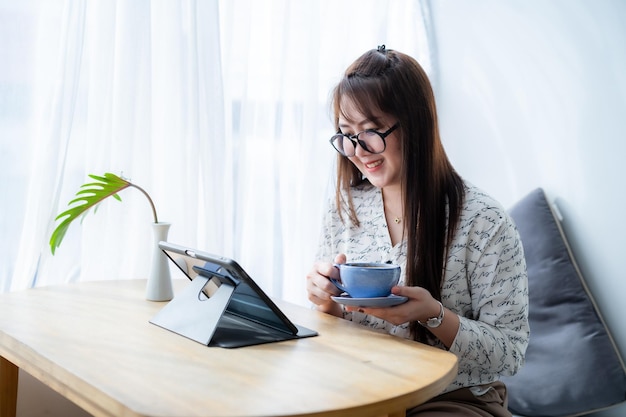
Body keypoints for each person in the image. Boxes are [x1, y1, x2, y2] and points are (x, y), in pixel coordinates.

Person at [306, 45, 529, 417]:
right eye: (346, 134)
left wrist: (434, 316)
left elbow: (510, 353)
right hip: (362, 391)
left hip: (451, 399)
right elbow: (332, 325)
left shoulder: (483, 220)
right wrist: (324, 299)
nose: (358, 150)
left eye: (371, 131)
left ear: (415, 124)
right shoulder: (345, 206)